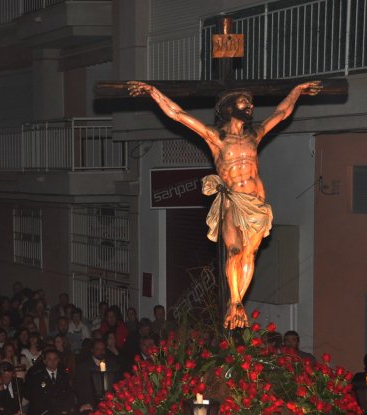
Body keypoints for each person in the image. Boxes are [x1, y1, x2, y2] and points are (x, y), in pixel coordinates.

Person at [128, 79, 322, 328]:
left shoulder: (255, 135)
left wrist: (297, 91)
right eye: (244, 102)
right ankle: (234, 304)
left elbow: (281, 113)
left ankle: (237, 301)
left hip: (256, 203)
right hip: (233, 201)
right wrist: (153, 92)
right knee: (234, 251)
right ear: (229, 107)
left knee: (250, 254)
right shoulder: (216, 138)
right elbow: (178, 115)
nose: (250, 106)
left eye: (250, 102)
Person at [26, 349, 74, 415]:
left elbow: (69, 394)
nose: (53, 362)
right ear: (44, 361)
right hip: (44, 414)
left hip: (61, 412)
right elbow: (35, 399)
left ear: (58, 360)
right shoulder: (37, 377)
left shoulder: (64, 375)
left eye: (55, 359)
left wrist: (66, 410)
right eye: (49, 359)